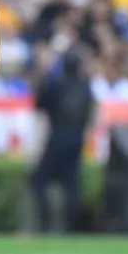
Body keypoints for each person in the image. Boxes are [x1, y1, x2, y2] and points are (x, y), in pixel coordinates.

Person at [32, 50, 95, 232]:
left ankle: (45, 222)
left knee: (39, 179)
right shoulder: (85, 86)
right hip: (77, 139)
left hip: (58, 135)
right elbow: (88, 113)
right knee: (72, 183)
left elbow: (40, 105)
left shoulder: (57, 84)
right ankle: (70, 226)